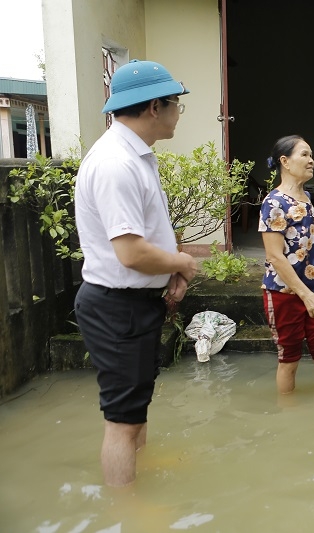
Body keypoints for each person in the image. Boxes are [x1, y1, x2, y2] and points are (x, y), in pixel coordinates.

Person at [74, 59, 198, 487]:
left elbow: (147, 235)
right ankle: (125, 510)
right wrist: (182, 263)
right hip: (116, 306)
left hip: (132, 303)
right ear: (153, 108)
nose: (178, 113)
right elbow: (129, 252)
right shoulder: (116, 163)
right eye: (176, 105)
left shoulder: (135, 156)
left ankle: (135, 479)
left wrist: (171, 269)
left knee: (133, 409)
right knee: (122, 422)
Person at [259, 135, 314, 394]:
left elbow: (297, 232)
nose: (311, 160)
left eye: (311, 154)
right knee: (289, 360)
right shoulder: (273, 203)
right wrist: (305, 296)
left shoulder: (307, 197)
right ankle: (287, 417)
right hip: (286, 294)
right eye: (304, 154)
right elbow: (275, 256)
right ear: (285, 162)